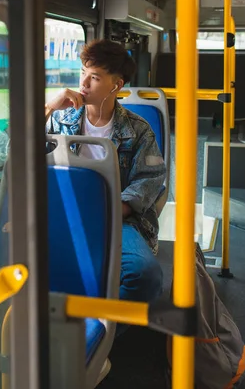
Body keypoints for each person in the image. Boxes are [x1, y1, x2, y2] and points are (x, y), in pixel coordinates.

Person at [45, 39, 166, 315]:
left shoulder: (138, 131)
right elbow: (12, 151)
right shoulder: (60, 119)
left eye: (95, 77)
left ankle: (101, 330)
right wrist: (49, 108)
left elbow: (149, 181)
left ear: (116, 85)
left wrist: (107, 212)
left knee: (145, 277)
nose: (83, 84)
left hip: (116, 218)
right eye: (82, 74)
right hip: (63, 213)